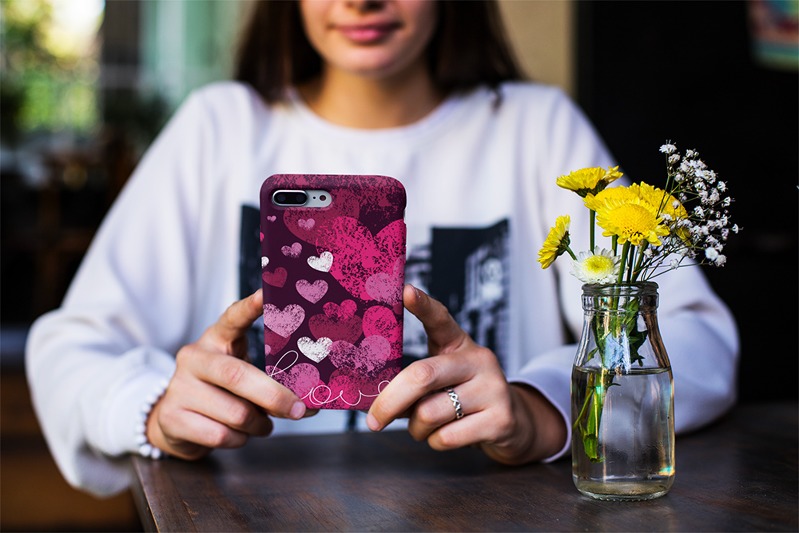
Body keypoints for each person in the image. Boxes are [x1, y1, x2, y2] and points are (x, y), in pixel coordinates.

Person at [25, 0, 739, 497]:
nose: (361, 1)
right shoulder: (219, 127)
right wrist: (154, 409)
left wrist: (540, 406)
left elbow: (694, 336)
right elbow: (70, 346)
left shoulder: (536, 126)